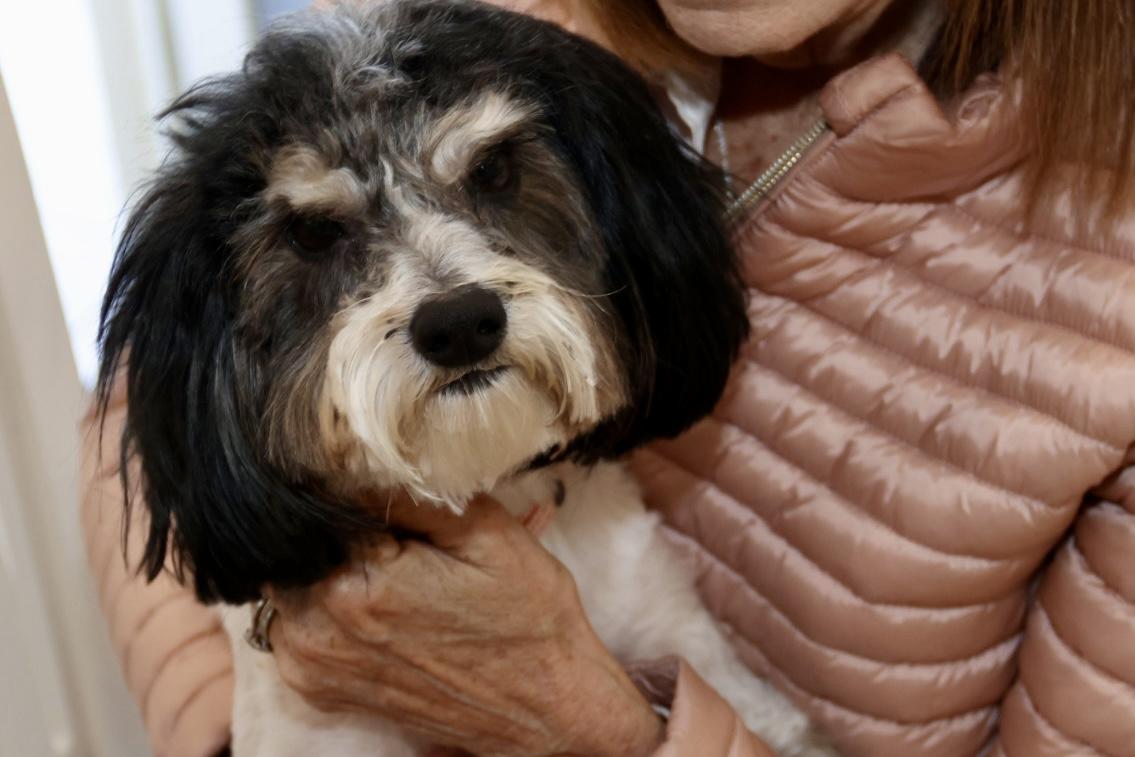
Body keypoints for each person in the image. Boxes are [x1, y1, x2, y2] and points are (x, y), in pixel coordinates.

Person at [82, 0, 1135, 755]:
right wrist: (239, 688)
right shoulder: (510, 31)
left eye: (492, 177)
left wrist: (577, 720)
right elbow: (151, 401)